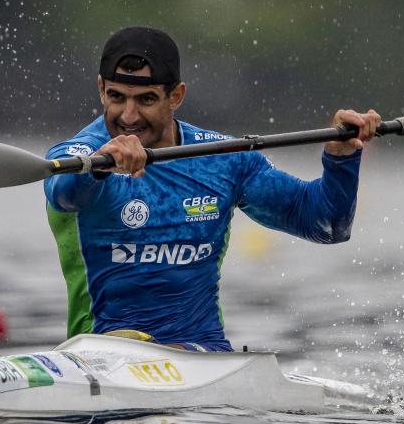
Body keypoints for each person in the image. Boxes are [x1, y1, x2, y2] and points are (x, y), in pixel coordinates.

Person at [44, 27, 380, 352]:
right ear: (102, 88)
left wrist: (341, 159)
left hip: (203, 356)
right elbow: (64, 192)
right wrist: (100, 167)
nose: (129, 116)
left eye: (146, 100)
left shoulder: (222, 160)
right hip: (100, 354)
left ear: (176, 96)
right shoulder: (77, 156)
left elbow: (326, 224)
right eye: (117, 97)